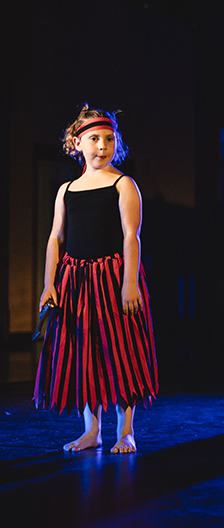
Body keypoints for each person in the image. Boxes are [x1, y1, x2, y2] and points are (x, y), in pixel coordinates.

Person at [33, 105, 158, 453]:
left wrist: (129, 282)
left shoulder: (123, 184)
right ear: (77, 143)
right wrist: (49, 283)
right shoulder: (67, 190)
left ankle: (125, 431)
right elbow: (55, 238)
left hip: (112, 277)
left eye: (109, 139)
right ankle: (92, 431)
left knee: (121, 350)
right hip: (76, 280)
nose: (102, 146)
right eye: (94, 139)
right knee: (83, 354)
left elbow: (131, 236)